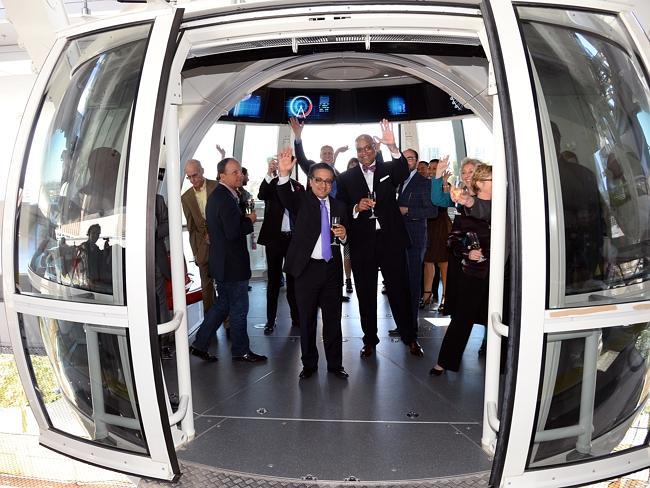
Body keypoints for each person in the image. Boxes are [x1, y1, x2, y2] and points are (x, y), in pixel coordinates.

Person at [336, 119, 423, 358]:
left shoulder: (387, 169)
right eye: (359, 149)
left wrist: (394, 147)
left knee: (399, 290)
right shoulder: (346, 177)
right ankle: (370, 341)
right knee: (365, 293)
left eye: (367, 148)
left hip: (391, 240)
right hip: (362, 242)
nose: (363, 152)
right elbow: (341, 207)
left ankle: (410, 337)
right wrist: (356, 207)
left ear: (375, 149)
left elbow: (403, 170)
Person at [276, 148, 350, 379]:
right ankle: (309, 365)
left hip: (331, 270)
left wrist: (345, 235)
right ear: (310, 182)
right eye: (319, 180)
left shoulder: (339, 206)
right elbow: (284, 196)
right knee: (307, 320)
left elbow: (348, 239)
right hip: (306, 269)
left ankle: (335, 365)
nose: (323, 185)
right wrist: (284, 174)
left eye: (328, 182)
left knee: (332, 321)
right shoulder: (301, 201)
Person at [189, 158, 267, 363]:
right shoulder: (224, 199)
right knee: (239, 309)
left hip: (222, 264)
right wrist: (249, 221)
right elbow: (233, 232)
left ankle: (199, 344)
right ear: (222, 176)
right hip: (232, 266)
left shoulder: (222, 196)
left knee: (222, 305)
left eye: (240, 171)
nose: (239, 175)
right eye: (234, 172)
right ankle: (241, 351)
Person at [430, 164, 492, 375]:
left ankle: (502, 363)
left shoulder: (504, 204)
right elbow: (452, 240)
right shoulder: (465, 207)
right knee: (462, 319)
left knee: (498, 319)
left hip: (503, 273)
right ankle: (444, 362)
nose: (468, 176)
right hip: (475, 272)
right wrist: (468, 252)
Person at [288, 116, 351, 302]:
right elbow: (301, 158)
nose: (328, 155)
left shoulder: (340, 176)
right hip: (313, 224)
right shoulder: (313, 169)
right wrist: (298, 137)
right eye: (325, 153)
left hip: (335, 223)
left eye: (331, 153)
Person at [389, 149, 437, 338]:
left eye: (410, 158)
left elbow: (432, 212)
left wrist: (407, 210)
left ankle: (411, 325)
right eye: (404, 158)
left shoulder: (424, 183)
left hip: (415, 238)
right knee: (400, 282)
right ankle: (403, 324)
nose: (407, 161)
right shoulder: (397, 182)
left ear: (416, 162)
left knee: (413, 282)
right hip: (397, 238)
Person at [257, 156, 304, 334]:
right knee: (274, 281)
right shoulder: (272, 184)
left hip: (293, 240)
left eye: (290, 164)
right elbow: (261, 194)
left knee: (293, 281)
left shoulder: (298, 186)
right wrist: (269, 173)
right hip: (274, 240)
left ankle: (296, 317)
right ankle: (270, 320)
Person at [181, 159, 217, 313]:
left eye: (194, 175)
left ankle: (228, 323)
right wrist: (196, 252)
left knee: (224, 283)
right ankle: (210, 322)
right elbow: (191, 228)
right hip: (202, 246)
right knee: (206, 285)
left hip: (221, 241)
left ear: (202, 170)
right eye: (189, 177)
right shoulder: (186, 197)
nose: (192, 180)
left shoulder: (217, 187)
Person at [422, 158, 452, 309]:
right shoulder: (423, 185)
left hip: (441, 226)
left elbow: (445, 202)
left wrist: (445, 182)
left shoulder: (445, 184)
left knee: (443, 262)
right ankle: (427, 294)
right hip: (427, 225)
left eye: (435, 168)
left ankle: (446, 297)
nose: (433, 171)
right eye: (431, 168)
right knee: (427, 261)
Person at [343, 157, 359, 294]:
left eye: (356, 166)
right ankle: (348, 280)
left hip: (362, 227)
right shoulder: (343, 182)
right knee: (347, 255)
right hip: (348, 226)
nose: (353, 168)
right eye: (351, 166)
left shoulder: (365, 182)